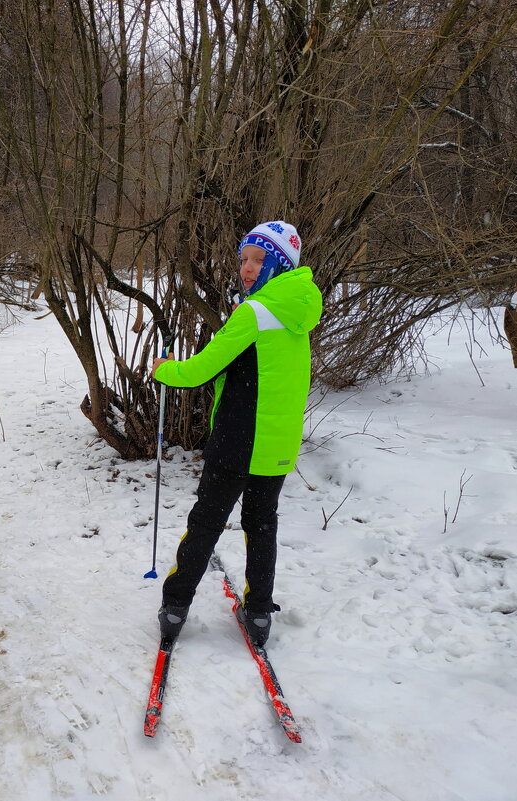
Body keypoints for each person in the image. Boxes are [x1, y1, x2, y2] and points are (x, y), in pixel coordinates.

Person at [151, 221, 322, 648]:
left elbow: (199, 371)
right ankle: (259, 613)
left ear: (281, 264)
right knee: (262, 526)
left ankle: (175, 607)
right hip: (278, 447)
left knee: (206, 522)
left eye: (259, 260)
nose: (247, 268)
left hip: (236, 442)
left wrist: (163, 370)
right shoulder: (298, 312)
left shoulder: (254, 313)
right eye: (244, 258)